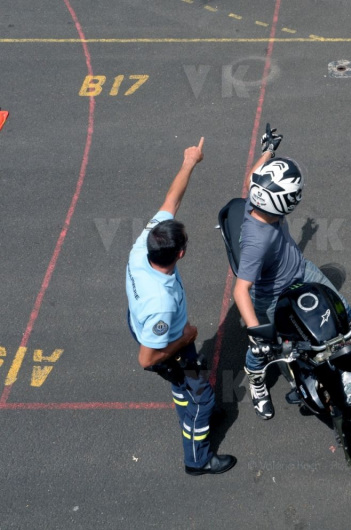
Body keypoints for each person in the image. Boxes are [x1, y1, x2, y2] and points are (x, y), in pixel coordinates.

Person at [126, 138, 236, 476]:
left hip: (143, 322)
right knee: (199, 399)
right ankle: (197, 458)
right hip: (165, 345)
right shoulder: (160, 302)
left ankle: (190, 398)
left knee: (188, 384)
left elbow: (171, 199)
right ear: (180, 254)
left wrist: (190, 161)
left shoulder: (146, 242)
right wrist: (185, 338)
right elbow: (147, 359)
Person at [234, 125, 351, 420]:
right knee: (274, 351)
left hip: (301, 270)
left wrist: (268, 150)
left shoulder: (258, 193)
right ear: (284, 203)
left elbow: (253, 175)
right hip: (272, 298)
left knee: (345, 314)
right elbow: (240, 290)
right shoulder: (256, 242)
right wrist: (257, 333)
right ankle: (257, 381)